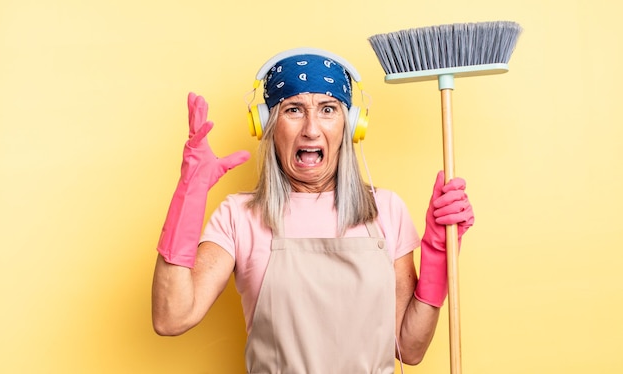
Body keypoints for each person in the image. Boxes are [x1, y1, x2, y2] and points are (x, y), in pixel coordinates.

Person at [151, 47, 474, 373]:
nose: (311, 128)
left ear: (350, 125)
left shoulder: (386, 210)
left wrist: (438, 254)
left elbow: (410, 348)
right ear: (268, 125)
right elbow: (171, 317)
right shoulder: (239, 216)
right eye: (293, 109)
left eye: (328, 109)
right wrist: (188, 194)